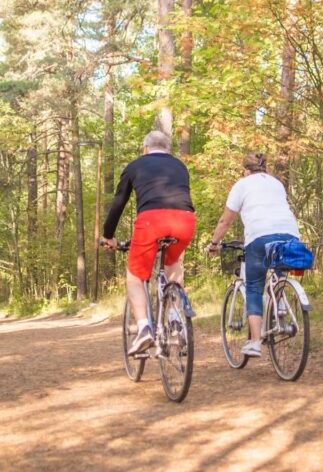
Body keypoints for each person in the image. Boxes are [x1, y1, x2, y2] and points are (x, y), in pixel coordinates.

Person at [101, 130, 196, 355]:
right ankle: (175, 320)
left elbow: (118, 203)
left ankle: (144, 328)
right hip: (185, 220)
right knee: (174, 265)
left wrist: (108, 235)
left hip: (151, 221)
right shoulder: (180, 166)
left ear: (145, 148)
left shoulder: (135, 166)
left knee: (135, 277)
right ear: (168, 149)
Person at [207, 152, 301, 358]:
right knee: (279, 268)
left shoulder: (242, 184)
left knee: (254, 287)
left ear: (246, 171)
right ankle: (280, 300)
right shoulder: (276, 183)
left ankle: (256, 342)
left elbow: (225, 221)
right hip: (290, 233)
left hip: (259, 236)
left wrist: (214, 244)